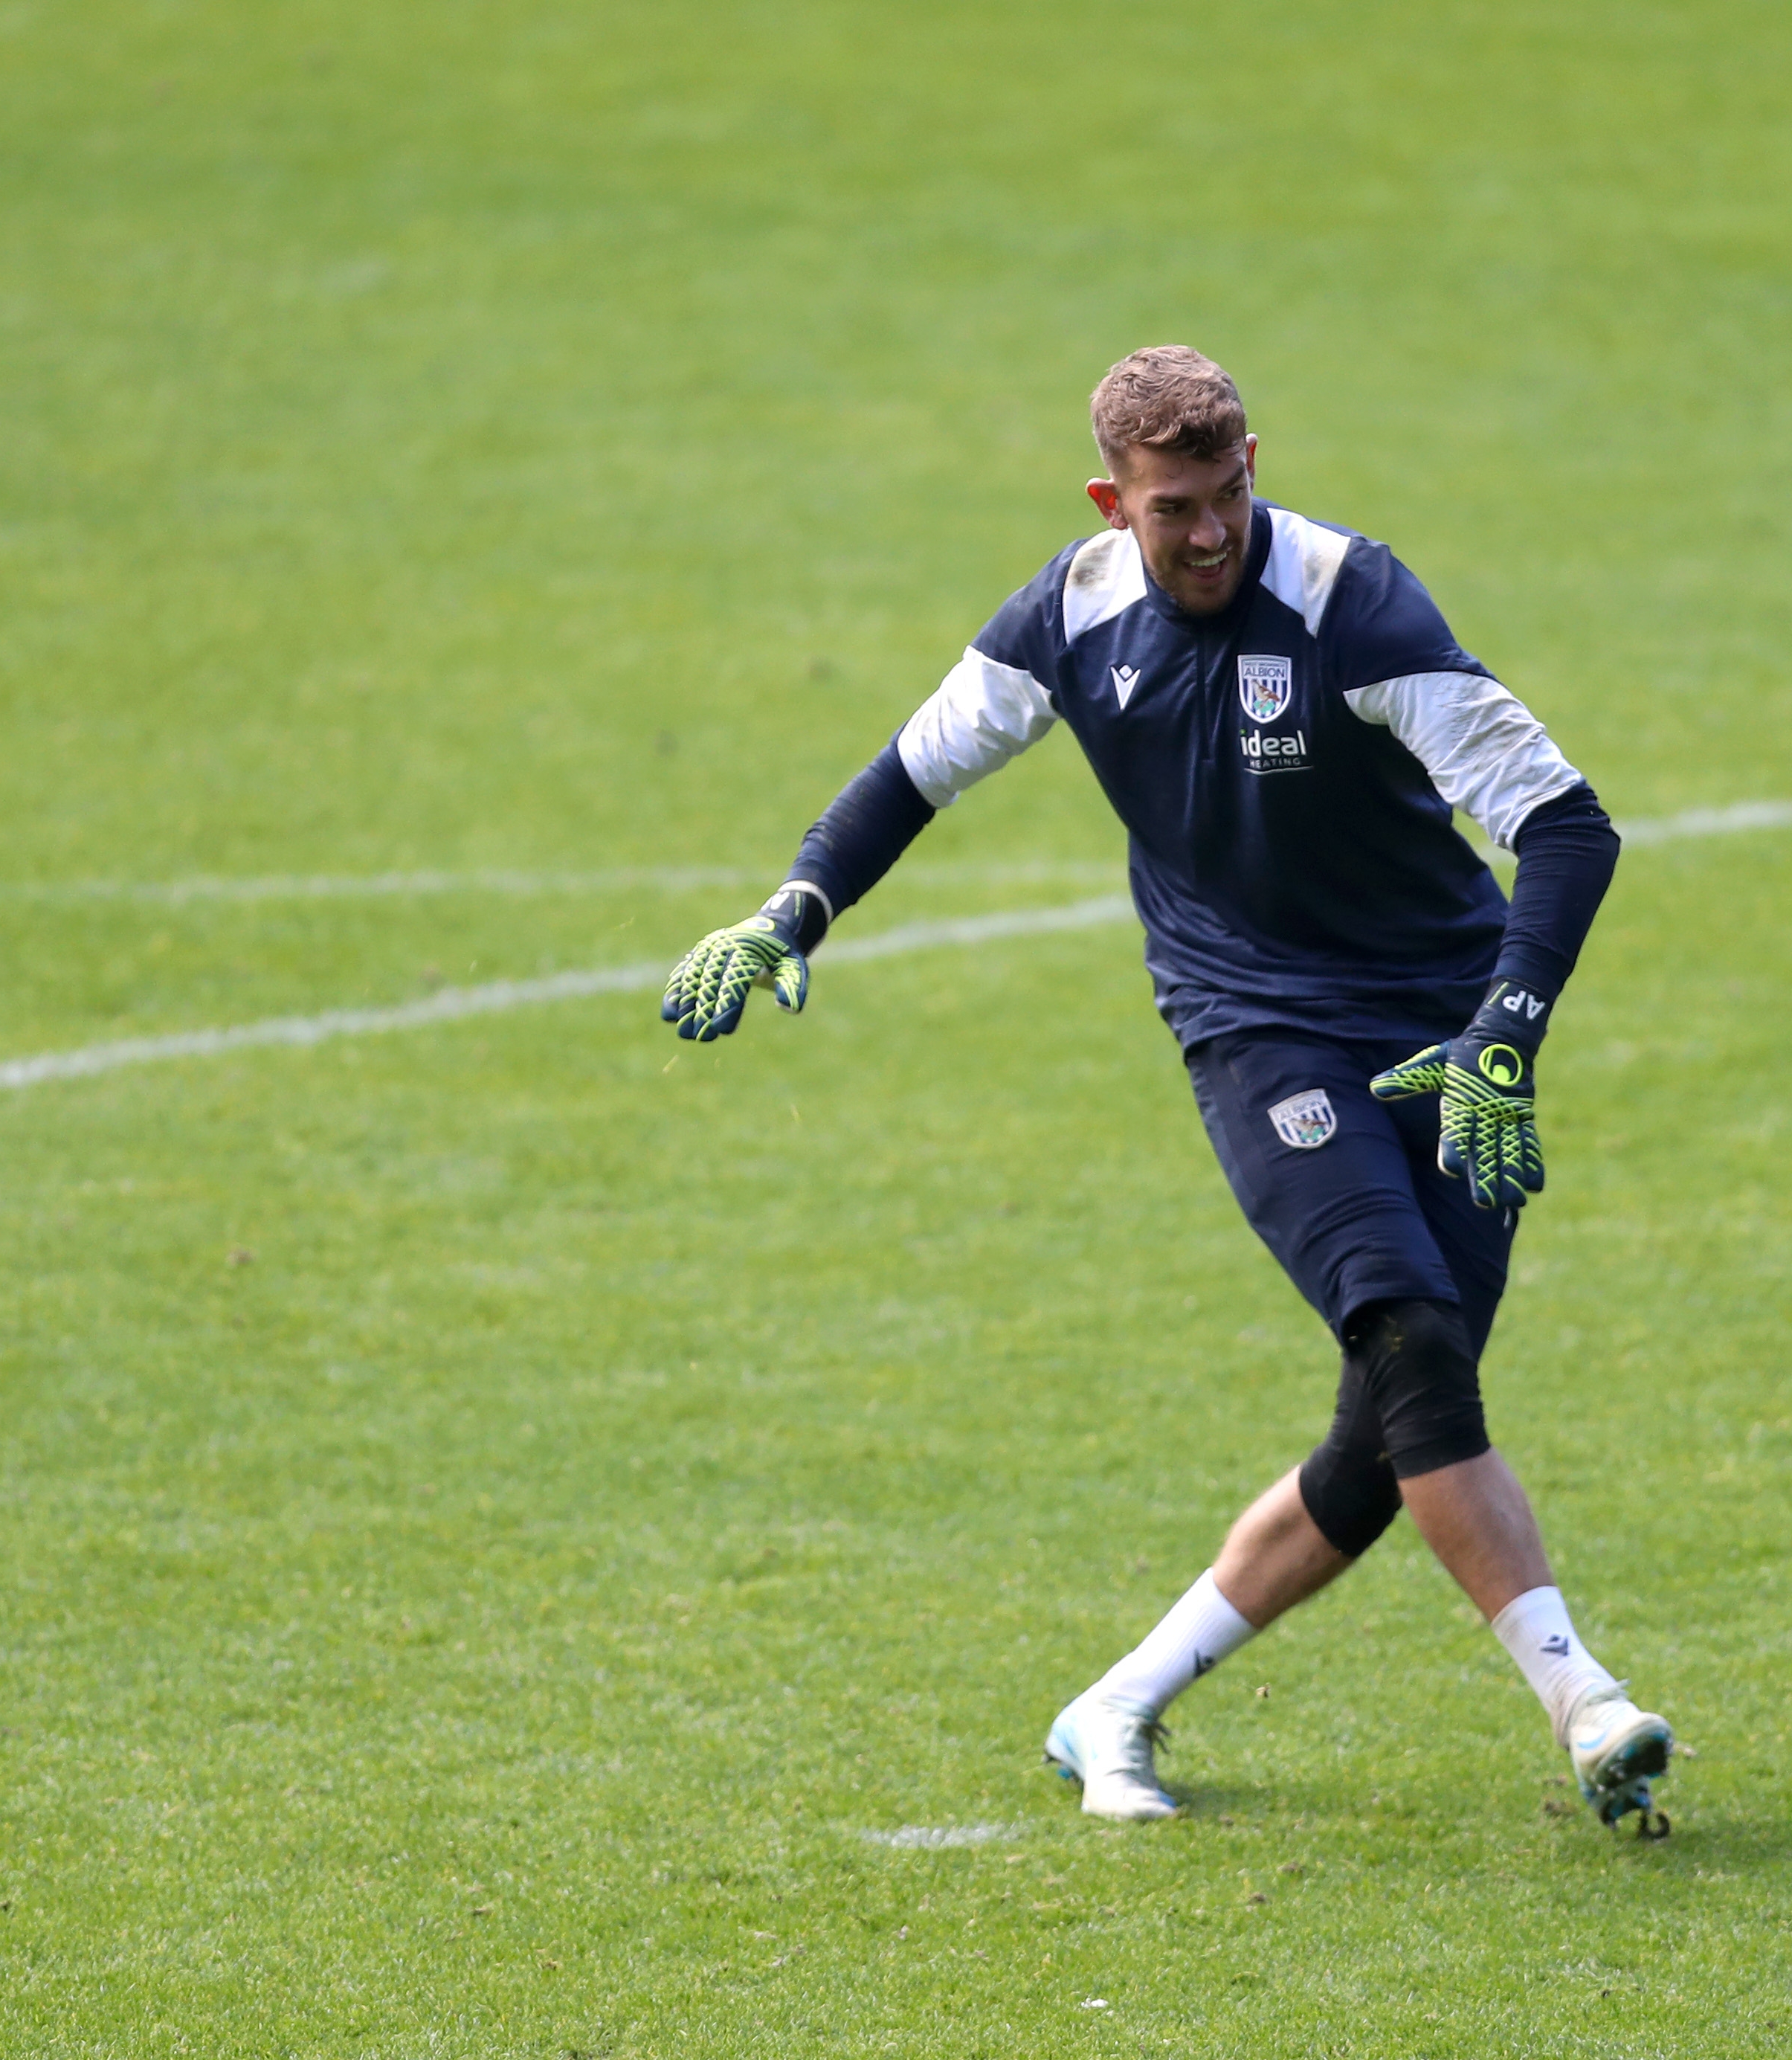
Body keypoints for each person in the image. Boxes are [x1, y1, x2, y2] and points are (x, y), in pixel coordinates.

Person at [658, 346, 1672, 1832]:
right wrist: (789, 911)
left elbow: (1567, 828)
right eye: (1173, 509)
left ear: (1257, 458)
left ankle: (1118, 1702)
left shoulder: (1351, 604)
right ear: (1110, 500)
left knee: (1388, 1438)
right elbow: (910, 774)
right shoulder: (1068, 620)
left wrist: (1505, 1037)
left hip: (1444, 1033)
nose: (1208, 535)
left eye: (1228, 495)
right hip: (1257, 1026)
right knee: (1411, 1345)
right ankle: (1587, 1708)